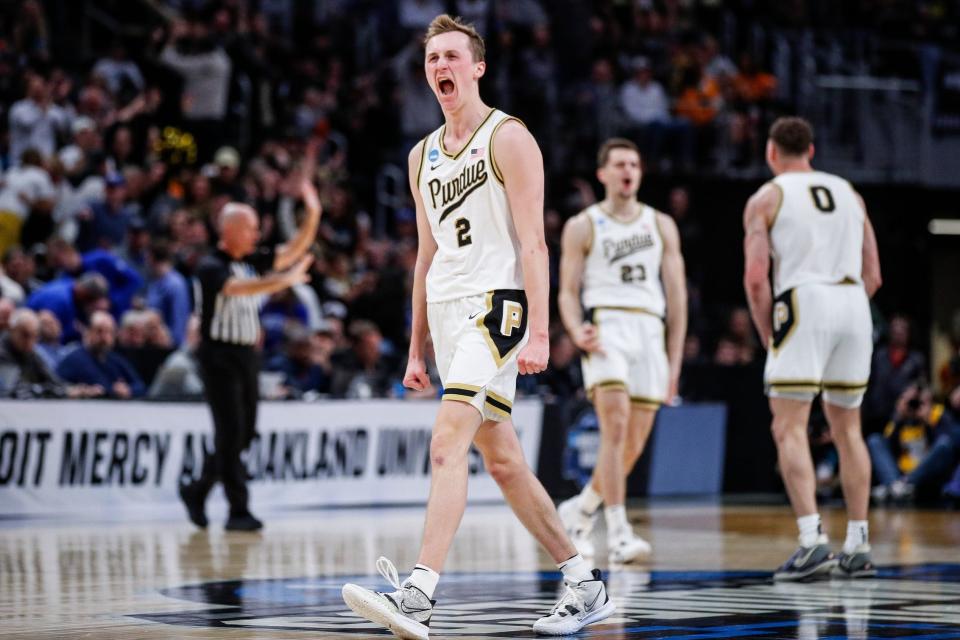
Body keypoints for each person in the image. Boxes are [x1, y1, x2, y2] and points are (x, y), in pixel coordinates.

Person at [340, 15, 615, 639]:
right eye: (433, 58)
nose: (441, 67)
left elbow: (534, 244)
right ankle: (583, 582)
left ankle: (418, 596)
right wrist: (415, 344)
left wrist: (540, 332)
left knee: (446, 443)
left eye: (452, 57)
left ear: (478, 66)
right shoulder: (421, 156)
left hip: (498, 307)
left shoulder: (509, 137)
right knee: (505, 462)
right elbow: (425, 255)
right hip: (447, 310)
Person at [742, 116, 882, 580]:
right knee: (849, 429)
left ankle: (812, 541)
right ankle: (858, 544)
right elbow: (874, 275)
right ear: (813, 151)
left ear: (771, 154)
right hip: (854, 303)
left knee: (789, 427)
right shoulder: (849, 192)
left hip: (805, 300)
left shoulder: (767, 196)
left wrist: (769, 334)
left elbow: (757, 277)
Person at [555, 137, 687, 563]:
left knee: (632, 444)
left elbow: (678, 297)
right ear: (603, 173)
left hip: (650, 328)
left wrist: (675, 361)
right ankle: (618, 532)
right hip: (608, 324)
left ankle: (581, 510)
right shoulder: (583, 225)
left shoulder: (660, 223)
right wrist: (576, 330)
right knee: (614, 428)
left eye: (634, 163)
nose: (628, 170)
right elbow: (567, 292)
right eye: (620, 164)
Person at [177, 178, 320, 532]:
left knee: (244, 433)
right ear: (232, 230)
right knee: (229, 434)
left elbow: (289, 253)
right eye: (252, 229)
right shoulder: (211, 266)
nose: (257, 235)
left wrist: (313, 214)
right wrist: (284, 281)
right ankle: (238, 510)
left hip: (246, 357)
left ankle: (197, 490)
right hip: (218, 357)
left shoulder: (249, 259)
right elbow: (241, 289)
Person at [55, 310, 145, 398]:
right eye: (99, 331)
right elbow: (56, 386)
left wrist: (128, 390)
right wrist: (74, 391)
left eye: (109, 332)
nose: (104, 337)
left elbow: (140, 386)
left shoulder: (116, 360)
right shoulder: (74, 360)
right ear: (88, 332)